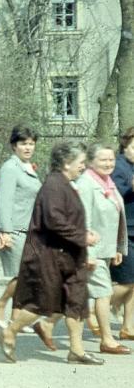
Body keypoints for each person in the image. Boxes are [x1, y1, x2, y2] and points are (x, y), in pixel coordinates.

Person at [0, 142, 104, 365]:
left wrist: (82, 233)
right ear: (66, 163)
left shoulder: (66, 183)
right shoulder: (53, 185)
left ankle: (76, 350)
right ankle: (9, 331)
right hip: (49, 256)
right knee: (42, 304)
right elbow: (54, 220)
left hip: (70, 256)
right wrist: (82, 236)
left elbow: (66, 218)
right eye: (80, 163)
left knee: (77, 301)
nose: (83, 167)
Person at [76, 142, 130, 354]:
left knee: (86, 293)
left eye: (111, 160)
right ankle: (107, 340)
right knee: (104, 292)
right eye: (103, 160)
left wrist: (117, 247)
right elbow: (84, 220)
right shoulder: (86, 184)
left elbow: (115, 216)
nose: (109, 164)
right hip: (91, 250)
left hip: (105, 249)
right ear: (90, 161)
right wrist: (89, 253)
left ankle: (46, 324)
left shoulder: (107, 182)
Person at [0, 125, 42, 327]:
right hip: (15, 229)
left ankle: (16, 319)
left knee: (26, 276)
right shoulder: (10, 168)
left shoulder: (28, 167)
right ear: (14, 146)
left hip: (31, 229)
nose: (28, 148)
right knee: (22, 275)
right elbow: (3, 200)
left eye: (31, 144)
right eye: (23, 144)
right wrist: (5, 231)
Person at [111, 127, 134, 341]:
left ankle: (127, 327)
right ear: (125, 145)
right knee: (127, 281)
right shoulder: (118, 165)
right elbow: (113, 191)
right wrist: (131, 187)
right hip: (124, 230)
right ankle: (97, 306)